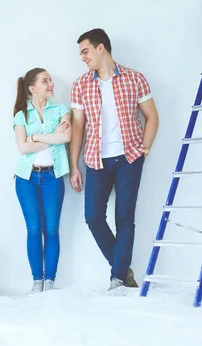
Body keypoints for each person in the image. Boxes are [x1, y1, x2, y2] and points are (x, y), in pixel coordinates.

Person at [69, 28, 159, 292]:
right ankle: (121, 268)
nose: (83, 58)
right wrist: (74, 166)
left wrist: (144, 149)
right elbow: (77, 127)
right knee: (93, 217)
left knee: (124, 218)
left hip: (129, 157)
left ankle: (117, 278)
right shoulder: (81, 85)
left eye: (85, 51)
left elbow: (152, 117)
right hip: (96, 161)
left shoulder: (135, 79)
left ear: (101, 48)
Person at [13, 67, 72, 293]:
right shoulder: (21, 115)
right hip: (26, 178)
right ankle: (37, 280)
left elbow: (66, 136)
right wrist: (52, 138)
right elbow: (22, 148)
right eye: (45, 81)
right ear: (32, 88)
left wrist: (36, 136)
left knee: (52, 230)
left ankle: (50, 281)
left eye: (51, 80)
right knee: (34, 229)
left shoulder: (61, 110)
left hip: (52, 177)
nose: (50, 84)